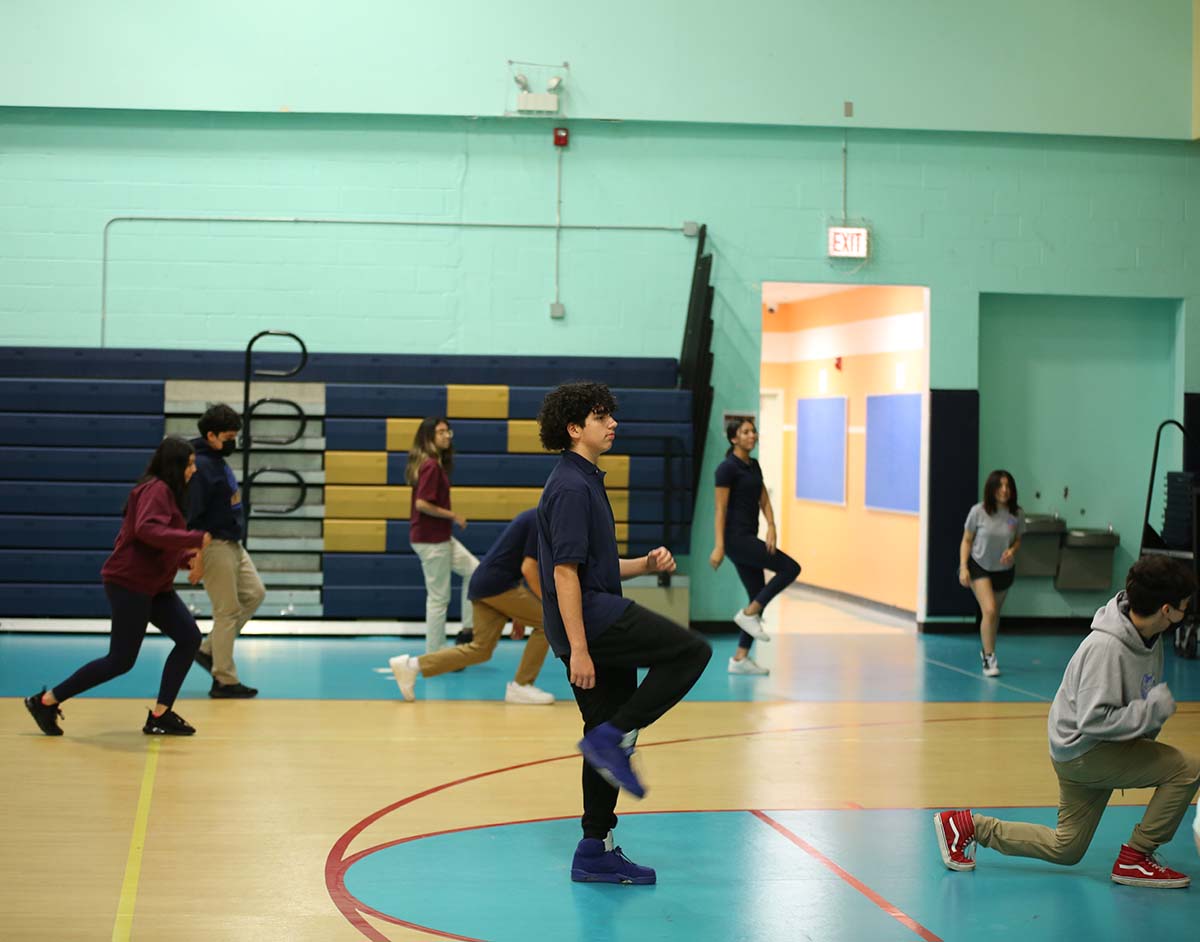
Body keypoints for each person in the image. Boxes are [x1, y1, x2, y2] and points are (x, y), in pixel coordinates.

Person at [536, 382, 712, 885]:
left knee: (600, 730)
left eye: (611, 415)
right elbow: (565, 575)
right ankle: (615, 738)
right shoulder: (571, 486)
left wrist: (645, 564)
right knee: (692, 651)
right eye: (600, 417)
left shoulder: (583, 478)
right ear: (575, 429)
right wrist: (581, 651)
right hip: (593, 621)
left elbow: (598, 564)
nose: (612, 423)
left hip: (590, 616)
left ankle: (595, 848)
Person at [935, 555, 1200, 888]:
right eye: (1183, 608)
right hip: (1085, 752)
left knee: (1067, 847)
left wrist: (1146, 725)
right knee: (1188, 767)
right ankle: (1137, 858)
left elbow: (1136, 701)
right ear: (1166, 610)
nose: (1183, 615)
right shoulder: (1107, 647)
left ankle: (966, 826)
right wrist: (1151, 712)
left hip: (1087, 751)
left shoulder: (1150, 639)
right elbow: (1093, 719)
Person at [24, 436, 211, 737]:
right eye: (189, 464)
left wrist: (185, 558)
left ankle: (161, 715)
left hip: (155, 586)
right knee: (120, 660)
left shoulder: (168, 493)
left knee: (189, 637)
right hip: (130, 584)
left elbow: (157, 541)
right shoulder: (157, 489)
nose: (194, 470)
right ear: (175, 466)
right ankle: (45, 701)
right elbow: (147, 530)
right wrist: (193, 540)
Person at [389, 508, 555, 704]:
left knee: (480, 650)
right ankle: (522, 685)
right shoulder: (540, 520)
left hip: (485, 583)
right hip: (497, 585)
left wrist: (518, 613)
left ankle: (411, 665)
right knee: (547, 623)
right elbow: (528, 569)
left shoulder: (535, 517)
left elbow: (511, 561)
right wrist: (550, 604)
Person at [709, 417, 801, 675]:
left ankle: (739, 659)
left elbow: (764, 499)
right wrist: (719, 546)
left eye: (754, 431)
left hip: (749, 534)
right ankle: (750, 613)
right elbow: (720, 509)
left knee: (756, 591)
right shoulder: (726, 469)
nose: (753, 435)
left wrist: (772, 525)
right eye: (746, 432)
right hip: (736, 540)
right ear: (734, 438)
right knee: (790, 568)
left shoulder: (754, 465)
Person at [188, 404, 263, 698]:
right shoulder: (200, 467)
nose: (233, 442)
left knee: (255, 593)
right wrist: (195, 555)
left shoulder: (217, 458)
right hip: (213, 543)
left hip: (232, 541)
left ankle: (208, 650)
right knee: (226, 611)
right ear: (211, 435)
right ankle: (224, 680)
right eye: (228, 436)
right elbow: (191, 517)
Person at [406, 417, 479, 654]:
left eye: (448, 431)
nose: (447, 435)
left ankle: (468, 629)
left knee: (475, 571)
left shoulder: (434, 464)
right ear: (429, 437)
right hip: (431, 540)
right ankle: (434, 654)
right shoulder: (430, 466)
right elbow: (422, 504)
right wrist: (453, 515)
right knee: (439, 598)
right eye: (440, 432)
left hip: (440, 537)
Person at [959, 469, 1024, 676]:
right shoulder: (978, 512)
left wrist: (1012, 550)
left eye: (1008, 486)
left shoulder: (1016, 514)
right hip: (980, 566)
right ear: (992, 489)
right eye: (1000, 486)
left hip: (1004, 570)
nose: (1004, 490)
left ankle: (988, 650)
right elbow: (967, 540)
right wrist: (963, 567)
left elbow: (1018, 539)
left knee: (994, 616)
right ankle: (989, 658)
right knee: (989, 610)